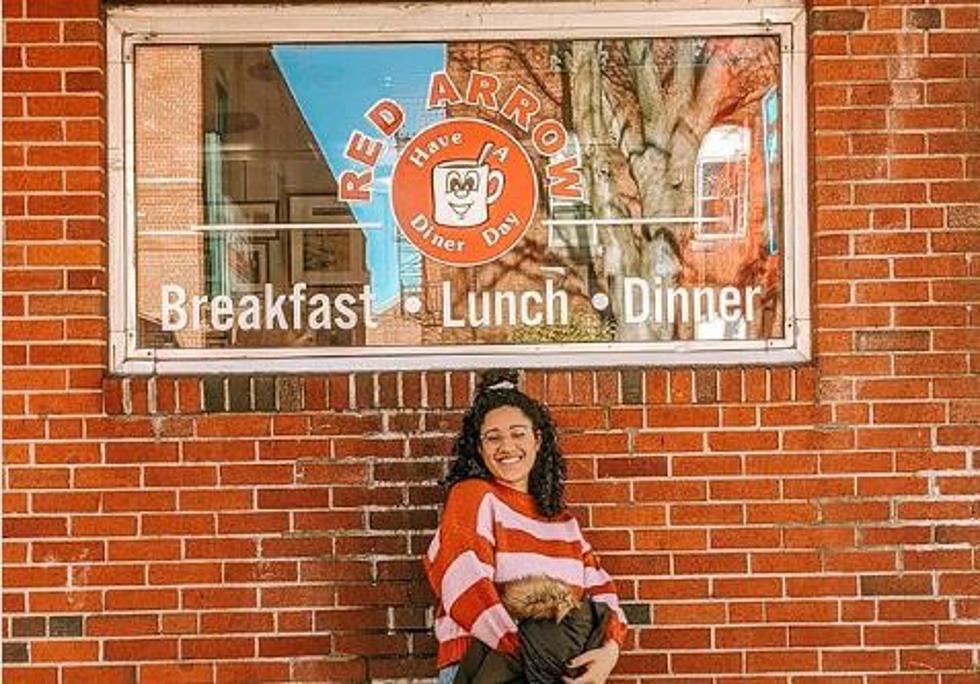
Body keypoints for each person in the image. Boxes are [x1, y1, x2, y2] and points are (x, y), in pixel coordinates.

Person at [424, 370, 628, 684]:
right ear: (479, 449)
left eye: (518, 433)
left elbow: (604, 595)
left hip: (549, 671)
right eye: (493, 437)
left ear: (537, 439)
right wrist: (524, 652)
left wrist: (609, 654)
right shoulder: (473, 496)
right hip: (484, 668)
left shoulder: (563, 524)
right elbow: (463, 581)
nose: (507, 446)